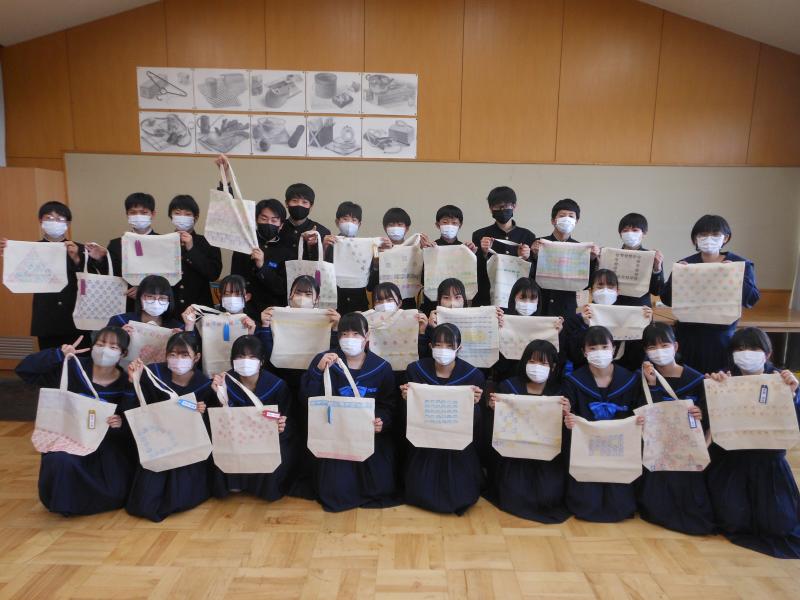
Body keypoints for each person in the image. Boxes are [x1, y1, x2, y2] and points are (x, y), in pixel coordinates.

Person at [16, 327, 136, 516]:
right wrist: (58, 354)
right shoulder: (72, 367)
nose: (104, 350)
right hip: (69, 438)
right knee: (61, 460)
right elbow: (24, 370)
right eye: (100, 344)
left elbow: (131, 418)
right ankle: (64, 502)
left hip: (105, 443)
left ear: (123, 354)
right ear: (92, 346)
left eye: (113, 347)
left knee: (115, 488)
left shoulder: (125, 381)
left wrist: (120, 423)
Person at [705, 327, 800, 558]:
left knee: (780, 525)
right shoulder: (725, 378)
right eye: (740, 349)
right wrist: (714, 390)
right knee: (733, 520)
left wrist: (793, 395)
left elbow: (793, 424)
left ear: (767, 354)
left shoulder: (781, 380)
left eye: (753, 348)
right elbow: (713, 423)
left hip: (769, 462)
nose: (746, 353)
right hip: (732, 460)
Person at [300, 313, 400, 511]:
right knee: (335, 489)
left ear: (367, 336)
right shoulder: (325, 361)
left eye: (356, 334)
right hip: (335, 436)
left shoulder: (381, 367)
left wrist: (382, 420)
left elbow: (388, 404)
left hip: (368, 436)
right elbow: (307, 400)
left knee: (379, 485)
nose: (349, 338)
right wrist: (317, 372)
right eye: (344, 334)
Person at [125, 332, 218, 522]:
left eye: (184, 355)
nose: (178, 359)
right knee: (146, 499)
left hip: (188, 444)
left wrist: (199, 413)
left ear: (196, 357)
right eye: (173, 354)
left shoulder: (203, 384)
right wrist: (133, 381)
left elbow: (210, 425)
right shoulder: (153, 374)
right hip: (157, 442)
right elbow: (137, 408)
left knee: (181, 494)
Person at [637, 322, 714, 535]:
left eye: (664, 345)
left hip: (688, 449)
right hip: (658, 448)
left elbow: (709, 411)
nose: (659, 351)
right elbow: (644, 409)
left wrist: (701, 413)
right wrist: (652, 385)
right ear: (645, 351)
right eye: (652, 347)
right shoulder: (642, 378)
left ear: (676, 346)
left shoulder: (696, 379)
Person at [659, 214, 760, 375]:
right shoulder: (686, 264)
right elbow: (666, 298)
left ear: (725, 238)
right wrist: (677, 278)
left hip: (721, 336)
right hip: (688, 335)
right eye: (703, 235)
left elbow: (752, 299)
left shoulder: (740, 264)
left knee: (719, 379)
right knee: (691, 378)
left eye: (715, 234)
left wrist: (736, 275)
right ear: (695, 239)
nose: (709, 239)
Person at [484, 340, 571, 523]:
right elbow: (496, 429)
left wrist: (567, 413)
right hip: (515, 455)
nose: (537, 367)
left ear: (553, 367)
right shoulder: (508, 387)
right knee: (513, 494)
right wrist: (494, 409)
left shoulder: (560, 392)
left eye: (543, 363)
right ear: (524, 362)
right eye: (532, 361)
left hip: (547, 456)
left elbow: (567, 431)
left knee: (549, 495)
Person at [563, 326, 644, 522]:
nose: (599, 352)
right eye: (592, 348)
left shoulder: (630, 380)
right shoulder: (573, 381)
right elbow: (568, 413)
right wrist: (568, 418)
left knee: (619, 502)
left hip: (619, 448)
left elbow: (638, 410)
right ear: (584, 352)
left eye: (604, 347)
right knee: (586, 500)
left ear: (613, 349)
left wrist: (640, 420)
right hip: (586, 448)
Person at [402, 323, 485, 514]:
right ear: (430, 346)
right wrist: (407, 398)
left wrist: (475, 404)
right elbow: (410, 415)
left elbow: (476, 422)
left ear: (459, 348)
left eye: (449, 346)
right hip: (425, 440)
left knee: (461, 492)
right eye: (438, 345)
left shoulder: (473, 375)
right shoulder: (416, 370)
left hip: (457, 443)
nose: (443, 350)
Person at [1, 201, 106, 349]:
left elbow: (94, 281)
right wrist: (10, 250)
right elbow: (20, 273)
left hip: (76, 315)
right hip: (46, 317)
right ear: (41, 221)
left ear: (68, 223)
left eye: (60, 219)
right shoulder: (32, 249)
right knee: (49, 359)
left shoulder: (81, 248)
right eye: (49, 218)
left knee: (80, 358)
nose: (54, 222)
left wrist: (77, 259)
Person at [209, 335, 292, 502]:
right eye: (240, 357)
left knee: (281, 451)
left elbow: (286, 416)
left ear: (261, 361)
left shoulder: (277, 385)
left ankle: (263, 487)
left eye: (252, 357)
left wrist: (281, 424)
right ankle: (234, 483)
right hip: (235, 436)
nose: (245, 361)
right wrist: (219, 394)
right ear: (232, 360)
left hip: (266, 438)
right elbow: (218, 418)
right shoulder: (225, 382)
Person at [560, 269, 652, 372]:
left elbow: (636, 357)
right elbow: (573, 355)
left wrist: (646, 325)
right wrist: (585, 324)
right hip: (585, 372)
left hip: (622, 371)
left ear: (617, 292)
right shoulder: (576, 320)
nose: (605, 291)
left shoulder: (629, 317)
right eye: (600, 286)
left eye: (610, 287)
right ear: (591, 291)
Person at [531, 199, 599, 318]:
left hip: (567, 308)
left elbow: (586, 284)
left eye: (571, 216)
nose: (567, 219)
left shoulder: (581, 249)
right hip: (542, 305)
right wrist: (534, 256)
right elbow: (528, 277)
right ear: (553, 220)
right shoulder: (538, 244)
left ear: (576, 221)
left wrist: (592, 259)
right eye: (562, 216)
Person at [323, 201, 390, 314]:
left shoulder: (367, 247)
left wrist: (380, 256)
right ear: (337, 222)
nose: (349, 223)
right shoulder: (329, 244)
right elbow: (320, 274)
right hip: (334, 302)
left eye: (354, 220)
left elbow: (371, 283)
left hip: (358, 302)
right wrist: (323, 248)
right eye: (345, 219)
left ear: (359, 224)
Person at [472, 186, 534, 307]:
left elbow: (533, 275)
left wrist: (527, 258)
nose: (502, 209)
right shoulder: (480, 235)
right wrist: (483, 253)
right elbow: (475, 272)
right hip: (487, 298)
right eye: (497, 206)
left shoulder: (527, 236)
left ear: (514, 206)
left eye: (506, 206)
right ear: (491, 209)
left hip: (517, 300)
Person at [419, 205, 478, 315]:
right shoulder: (431, 248)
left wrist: (472, 256)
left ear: (460, 225)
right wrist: (424, 254)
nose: (450, 226)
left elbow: (472, 279)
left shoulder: (465, 249)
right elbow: (422, 279)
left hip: (458, 304)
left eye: (454, 223)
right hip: (433, 303)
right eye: (445, 222)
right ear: (438, 225)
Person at [167, 194, 222, 310]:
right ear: (171, 217)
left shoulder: (209, 242)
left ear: (195, 218)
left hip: (200, 308)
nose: (182, 217)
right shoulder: (163, 241)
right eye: (177, 213)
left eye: (187, 214)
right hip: (170, 307)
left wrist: (192, 249)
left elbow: (213, 274)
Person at [106, 192, 158, 310]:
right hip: (125, 304)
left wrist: (145, 289)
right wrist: (100, 258)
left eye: (144, 212)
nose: (138, 216)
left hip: (156, 306)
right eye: (133, 212)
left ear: (153, 214)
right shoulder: (115, 244)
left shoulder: (163, 241)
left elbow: (169, 276)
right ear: (127, 215)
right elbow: (111, 275)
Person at [614, 213, 664, 307]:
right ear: (620, 234)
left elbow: (657, 291)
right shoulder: (612, 256)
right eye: (625, 230)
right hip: (615, 306)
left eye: (635, 230)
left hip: (641, 308)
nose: (630, 233)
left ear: (644, 233)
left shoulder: (652, 257)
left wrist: (657, 268)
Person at [107, 274, 184, 331]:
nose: (156, 302)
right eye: (150, 296)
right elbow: (105, 344)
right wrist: (119, 336)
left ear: (169, 300)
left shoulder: (177, 327)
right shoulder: (120, 321)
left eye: (162, 298)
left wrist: (180, 339)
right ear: (139, 297)